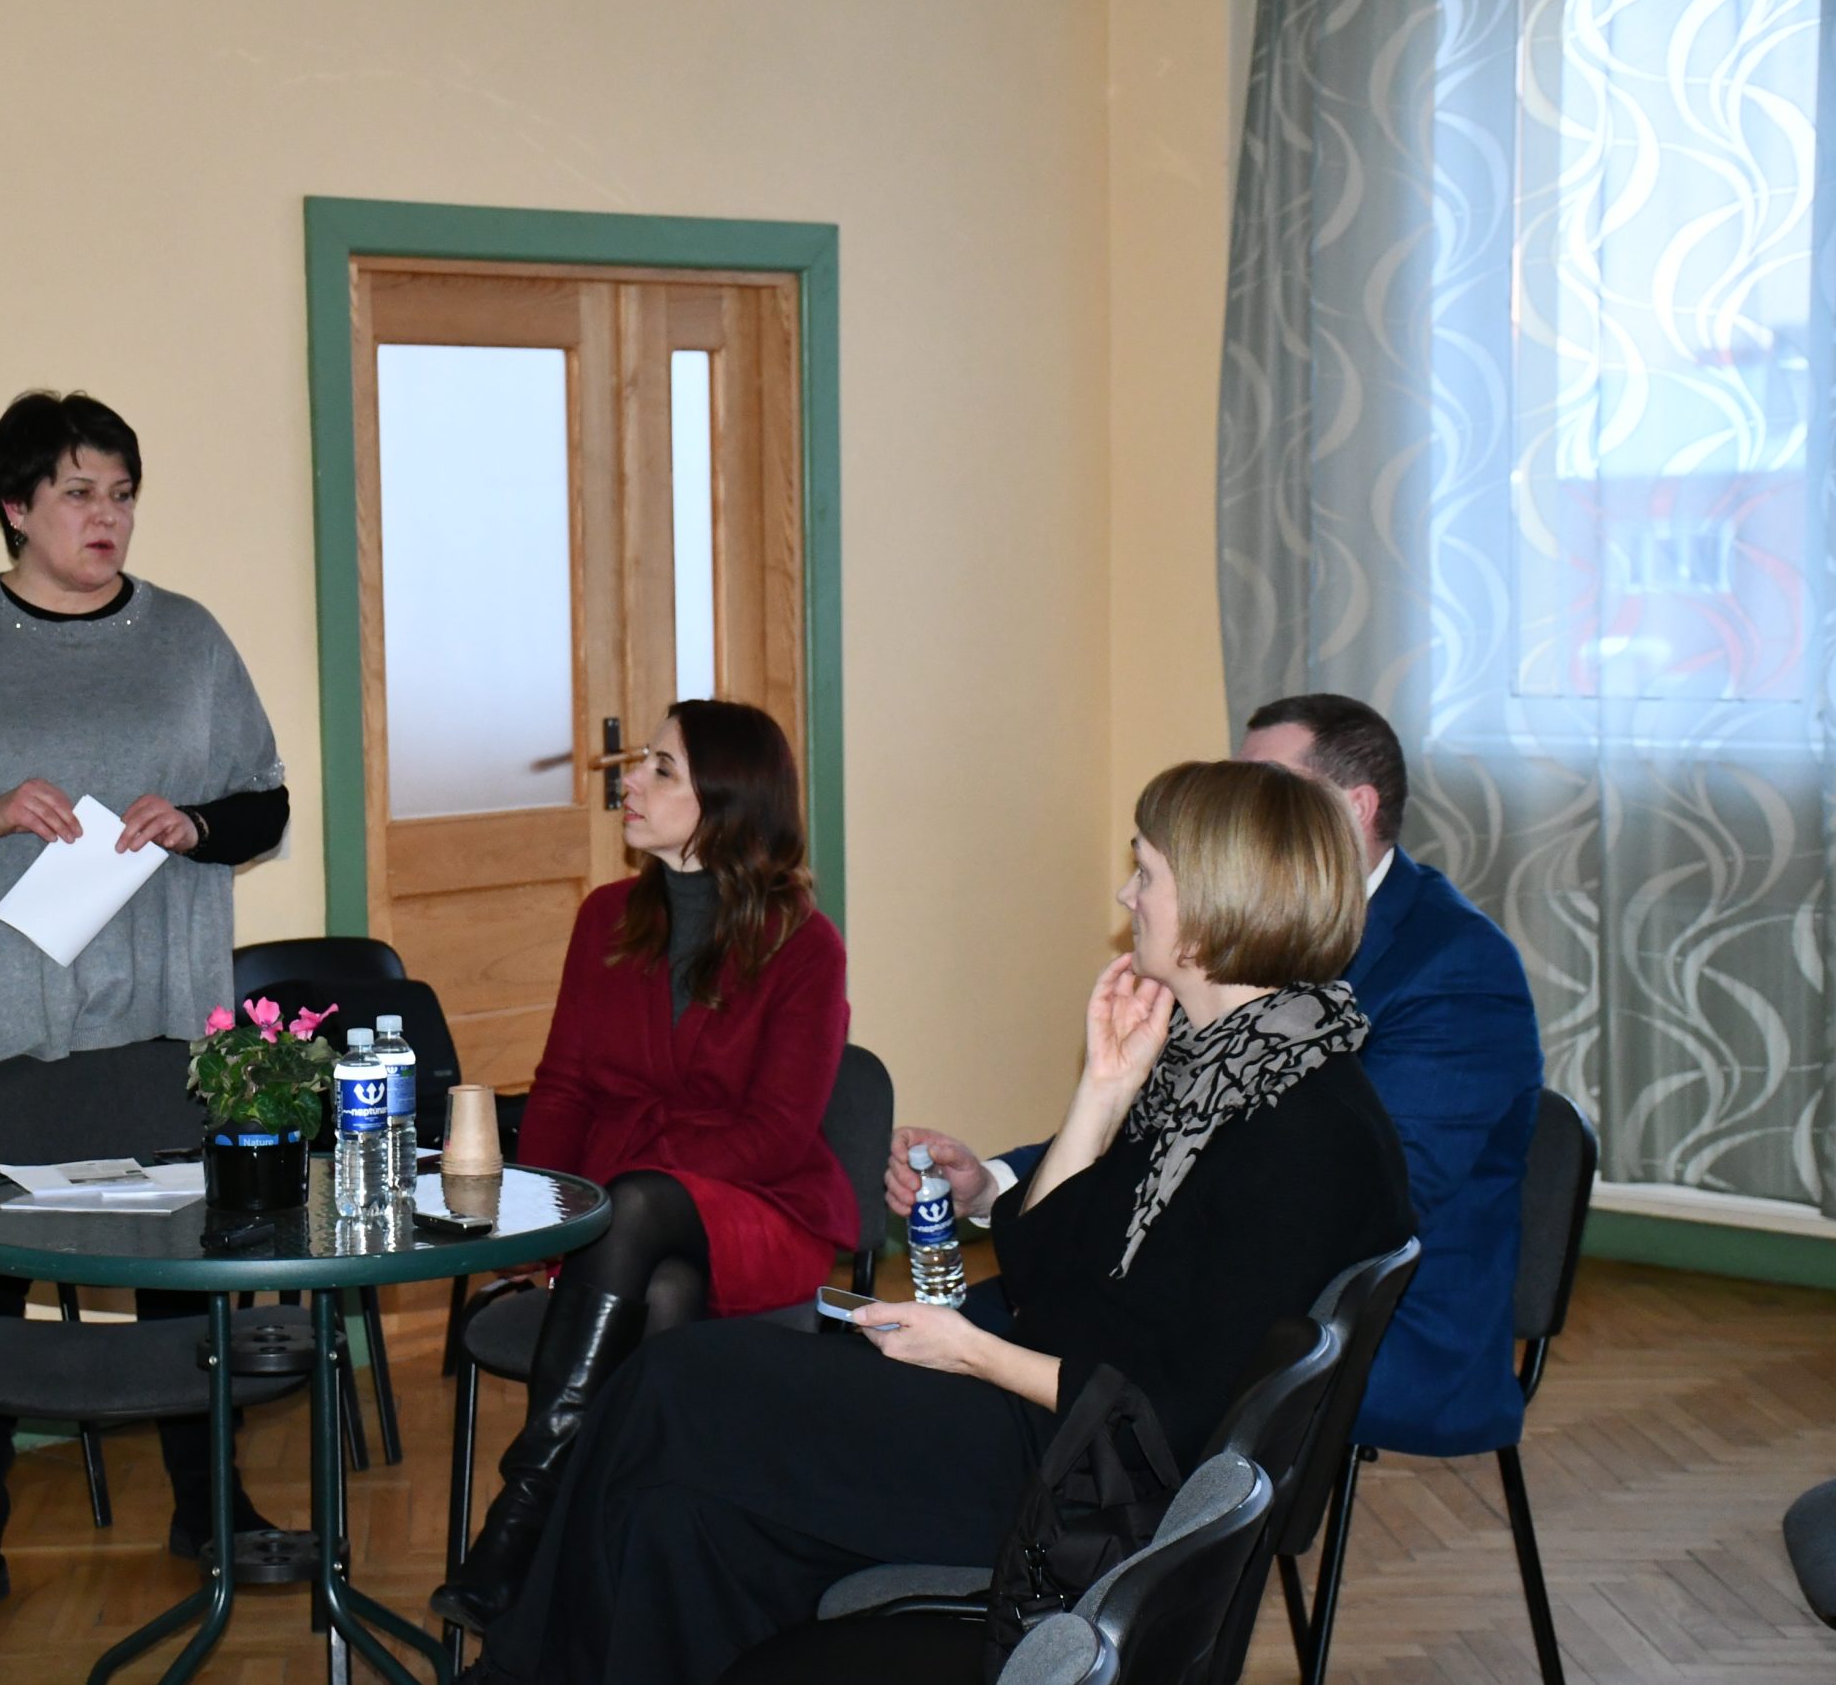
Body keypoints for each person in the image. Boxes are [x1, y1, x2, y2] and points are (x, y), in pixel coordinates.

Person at [465, 761, 1415, 1685]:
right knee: (679, 1515)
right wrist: (1101, 1088)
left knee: (674, 1385)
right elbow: (1046, 1270)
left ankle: (512, 1654)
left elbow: (1179, 1416)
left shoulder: (1302, 1133)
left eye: (1148, 872)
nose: (1127, 893)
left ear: (1214, 902)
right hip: (1050, 1414)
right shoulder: (1221, 1069)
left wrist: (969, 1352)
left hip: (1079, 1476)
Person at [0, 390, 290, 1637]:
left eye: (123, 493)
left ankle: (211, 1508)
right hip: (3, 1033)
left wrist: (196, 823)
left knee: (185, 1267)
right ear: (16, 508)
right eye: (80, 492)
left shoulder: (189, 640)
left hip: (161, 1021)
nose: (108, 517)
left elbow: (264, 803)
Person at [903, 694, 1542, 1458]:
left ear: (1352, 808)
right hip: (1199, 1294)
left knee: (931, 1379)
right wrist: (1000, 1182)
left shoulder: (1455, 965)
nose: (1238, 804)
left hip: (1377, 1341)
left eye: (1269, 783)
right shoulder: (1225, 971)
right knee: (903, 1350)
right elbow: (1168, 1140)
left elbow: (1375, 1190)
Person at [430, 700, 856, 1636]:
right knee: (661, 1287)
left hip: (758, 1208)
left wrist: (627, 1187)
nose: (631, 780)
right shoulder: (607, 919)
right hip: (621, 1222)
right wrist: (539, 1207)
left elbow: (777, 1133)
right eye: (643, 763)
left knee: (641, 1207)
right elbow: (565, 1085)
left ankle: (524, 1512)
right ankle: (619, 1572)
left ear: (729, 801)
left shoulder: (804, 946)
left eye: (662, 768)